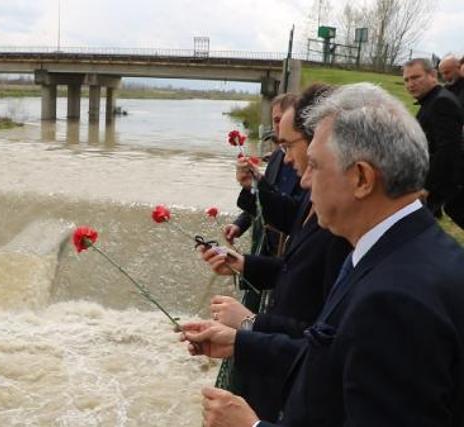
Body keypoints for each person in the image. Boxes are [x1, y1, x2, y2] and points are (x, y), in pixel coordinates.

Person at [182, 83, 464, 426]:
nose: (303, 181)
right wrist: (240, 343)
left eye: (315, 165)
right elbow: (334, 356)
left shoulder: (394, 299)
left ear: (361, 178)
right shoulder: (403, 249)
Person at [205, 84, 351, 422]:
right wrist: (242, 263)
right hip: (280, 360)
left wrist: (250, 322)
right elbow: (292, 267)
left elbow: (324, 341)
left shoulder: (342, 229)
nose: (286, 161)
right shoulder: (316, 201)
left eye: (289, 146)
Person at [224, 93, 301, 255]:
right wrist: (240, 225)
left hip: (287, 251)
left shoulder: (308, 161)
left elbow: (297, 211)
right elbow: (264, 195)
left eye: (282, 120)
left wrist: (258, 183)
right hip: (263, 247)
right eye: (275, 121)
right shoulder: (276, 156)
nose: (278, 127)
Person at [403, 58, 464, 228]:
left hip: (445, 184)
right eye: (406, 80)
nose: (410, 84)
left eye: (416, 77)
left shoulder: (440, 102)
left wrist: (428, 187)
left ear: (433, 75)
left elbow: (448, 150)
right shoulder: (432, 100)